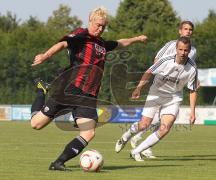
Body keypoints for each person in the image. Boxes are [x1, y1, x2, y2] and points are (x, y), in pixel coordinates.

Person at [30, 6, 147, 171]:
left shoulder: (102, 44)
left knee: (89, 133)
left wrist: (137, 38)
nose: (100, 29)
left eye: (103, 26)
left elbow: (121, 43)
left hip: (88, 97)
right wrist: (45, 56)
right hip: (70, 89)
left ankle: (58, 163)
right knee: (36, 124)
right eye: (97, 25)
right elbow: (63, 44)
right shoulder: (81, 35)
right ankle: (42, 90)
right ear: (90, 21)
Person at [115, 36, 198, 161]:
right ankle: (126, 136)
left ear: (189, 50)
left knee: (165, 128)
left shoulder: (192, 68)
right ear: (176, 49)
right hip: (156, 93)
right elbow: (149, 72)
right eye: (180, 49)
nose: (183, 53)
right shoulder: (165, 60)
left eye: (186, 50)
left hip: (173, 98)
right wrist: (138, 88)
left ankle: (136, 151)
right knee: (144, 125)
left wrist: (192, 111)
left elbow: (192, 90)